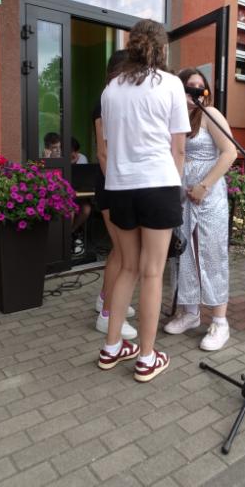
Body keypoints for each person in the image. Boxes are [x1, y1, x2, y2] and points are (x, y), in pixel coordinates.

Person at [97, 19, 190, 382]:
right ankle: (147, 358)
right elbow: (178, 148)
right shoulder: (171, 84)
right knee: (152, 271)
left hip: (120, 187)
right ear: (162, 48)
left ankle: (111, 347)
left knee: (127, 267)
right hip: (158, 184)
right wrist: (175, 187)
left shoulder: (110, 90)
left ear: (131, 46)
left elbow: (109, 144)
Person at [164, 68, 237, 350]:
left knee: (211, 254)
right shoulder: (175, 118)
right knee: (183, 255)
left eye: (199, 86)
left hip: (208, 195)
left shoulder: (210, 114)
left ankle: (220, 322)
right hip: (182, 197)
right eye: (189, 86)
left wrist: (204, 186)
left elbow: (230, 152)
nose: (195, 90)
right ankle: (190, 312)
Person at [93, 50, 137, 340]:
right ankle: (107, 315)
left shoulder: (116, 98)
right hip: (113, 185)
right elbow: (103, 153)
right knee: (122, 253)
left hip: (116, 183)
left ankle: (104, 299)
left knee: (118, 250)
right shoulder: (106, 99)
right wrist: (120, 187)